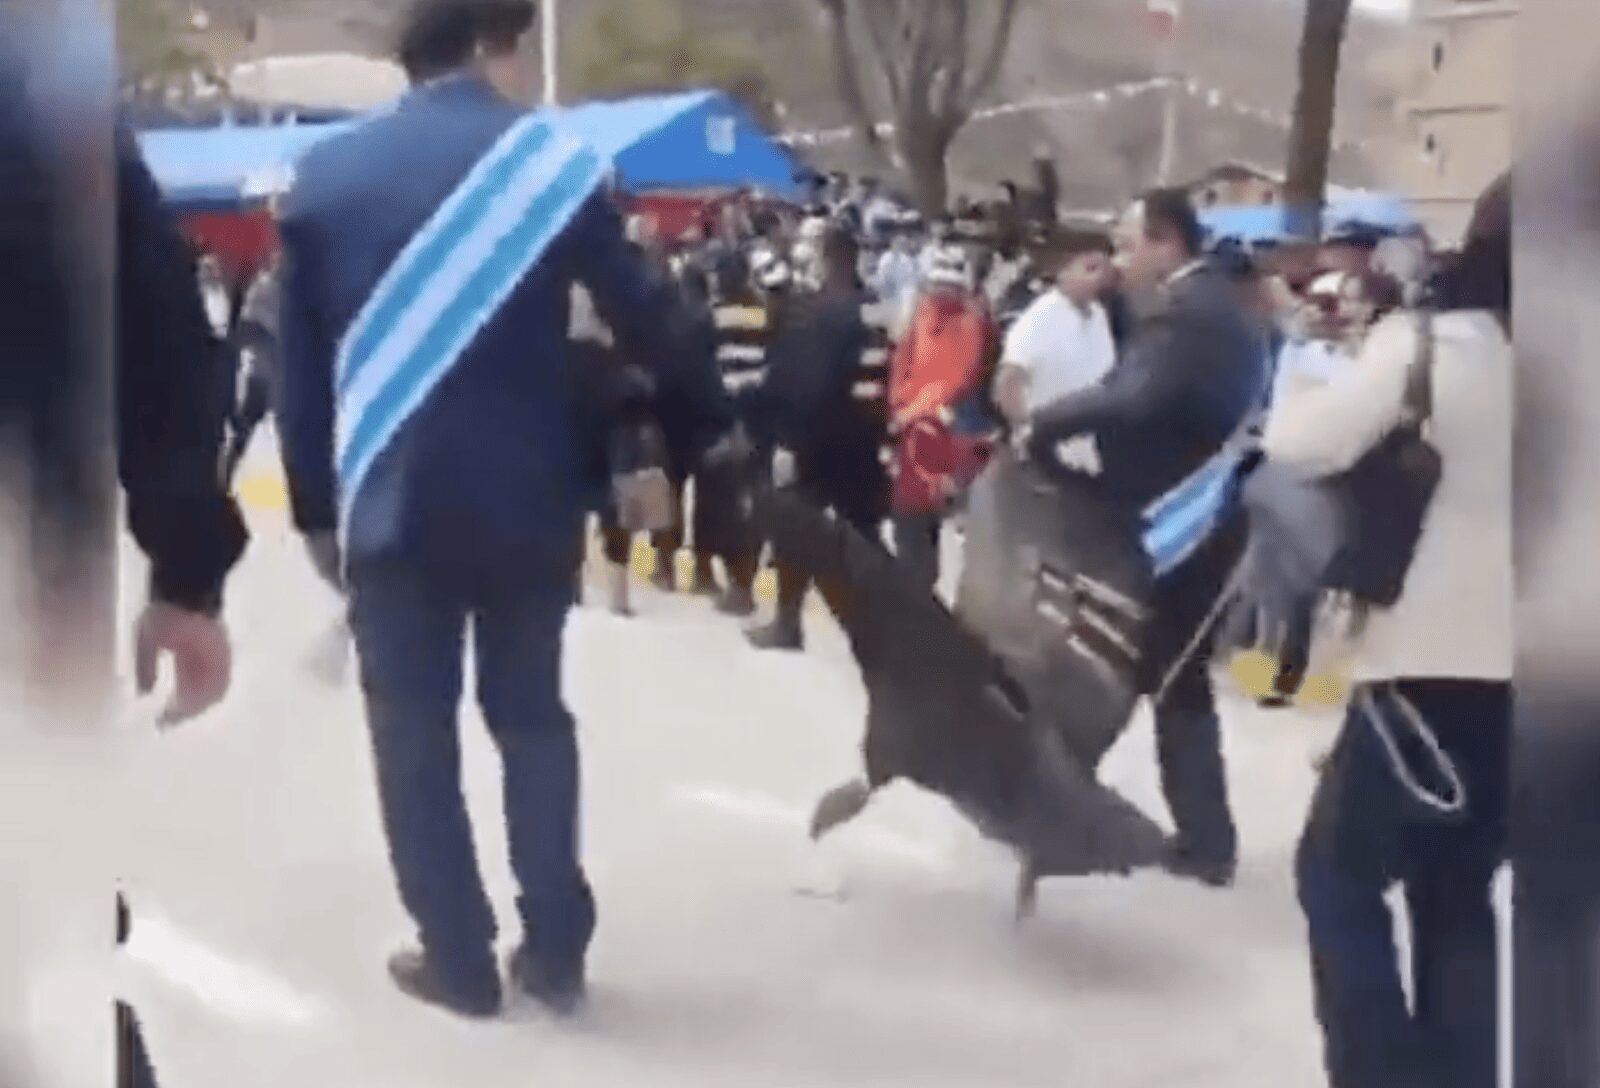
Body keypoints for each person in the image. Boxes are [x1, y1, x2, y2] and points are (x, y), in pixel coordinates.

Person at [275, 0, 733, 1018]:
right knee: (532, 721)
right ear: (495, 47)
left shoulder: (326, 179)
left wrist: (314, 509)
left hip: (391, 509)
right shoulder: (549, 165)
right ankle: (557, 947)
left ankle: (459, 957)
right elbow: (649, 316)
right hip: (530, 501)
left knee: (413, 735)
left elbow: (299, 374)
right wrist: (709, 426)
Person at [1263, 187, 1511, 1088]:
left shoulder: (1433, 348)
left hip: (1420, 662)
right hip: (1543, 680)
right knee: (1459, 891)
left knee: (1337, 875)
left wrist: (1312, 357)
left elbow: (1298, 446)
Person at [1025, 189, 1269, 887]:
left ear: (1167, 242)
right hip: (1191, 518)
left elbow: (1131, 397)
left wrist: (1044, 425)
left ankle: (1196, 841)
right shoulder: (1212, 305)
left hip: (1187, 527)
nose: (1120, 261)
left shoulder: (1188, 314)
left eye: (1128, 245)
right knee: (1151, 670)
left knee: (1153, 671)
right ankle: (1069, 808)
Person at [747, 226, 887, 652]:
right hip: (864, 439)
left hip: (820, 440)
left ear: (827, 258)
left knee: (793, 532)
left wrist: (789, 441)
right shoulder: (874, 309)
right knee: (864, 534)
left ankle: (787, 624)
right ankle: (882, 629)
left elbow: (809, 383)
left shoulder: (820, 314)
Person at [885, 247, 998, 589]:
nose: (941, 292)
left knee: (920, 516)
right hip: (912, 431)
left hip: (940, 431)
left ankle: (917, 594)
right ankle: (915, 590)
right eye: (937, 285)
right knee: (911, 520)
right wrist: (897, 410)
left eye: (949, 287)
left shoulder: (969, 323)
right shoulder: (919, 314)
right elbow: (902, 365)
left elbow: (958, 377)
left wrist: (909, 413)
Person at [994, 228, 1118, 431]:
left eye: (1105, 270)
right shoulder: (1040, 318)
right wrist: (1029, 430)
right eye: (1090, 269)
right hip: (1053, 438)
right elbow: (1008, 382)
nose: (1099, 279)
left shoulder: (1098, 314)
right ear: (1062, 271)